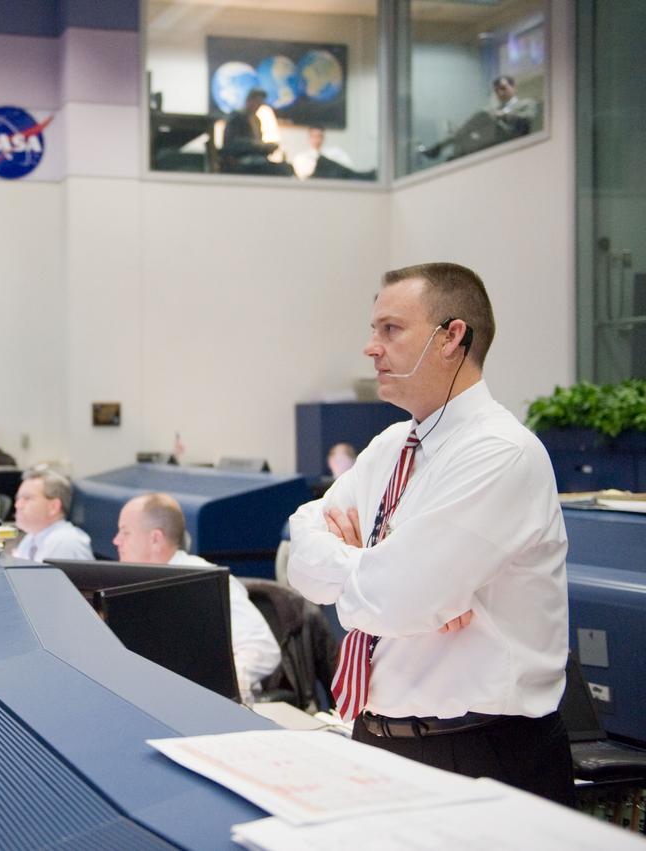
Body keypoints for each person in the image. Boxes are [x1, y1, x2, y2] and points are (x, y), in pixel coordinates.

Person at [287, 262, 573, 806]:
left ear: (452, 337)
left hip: (478, 754)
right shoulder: (392, 445)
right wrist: (384, 570)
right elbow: (301, 554)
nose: (371, 347)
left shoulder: (499, 452)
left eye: (390, 329)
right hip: (377, 739)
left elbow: (397, 598)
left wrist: (381, 576)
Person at [113, 493, 281, 703]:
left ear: (155, 539)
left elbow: (262, 649)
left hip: (203, 707)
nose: (116, 541)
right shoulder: (130, 585)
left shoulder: (205, 581)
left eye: (125, 532)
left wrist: (213, 691)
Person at [419, 75, 539, 161]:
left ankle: (441, 148)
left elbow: (528, 118)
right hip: (493, 140)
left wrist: (505, 116)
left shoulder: (526, 103)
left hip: (513, 138)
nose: (500, 93)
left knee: (483, 115)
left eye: (503, 88)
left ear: (513, 87)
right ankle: (446, 149)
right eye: (497, 91)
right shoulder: (494, 109)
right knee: (481, 115)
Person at [12, 469, 92, 562]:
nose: (17, 505)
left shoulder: (66, 542)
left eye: (27, 498)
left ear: (53, 507)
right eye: (18, 498)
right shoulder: (30, 539)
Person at [219, 88, 293, 176]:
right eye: (257, 102)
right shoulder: (236, 117)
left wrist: (267, 148)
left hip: (256, 159)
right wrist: (255, 145)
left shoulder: (256, 120)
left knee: (286, 168)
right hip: (240, 161)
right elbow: (231, 144)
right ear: (249, 101)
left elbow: (258, 146)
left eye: (260, 104)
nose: (258, 106)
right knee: (281, 170)